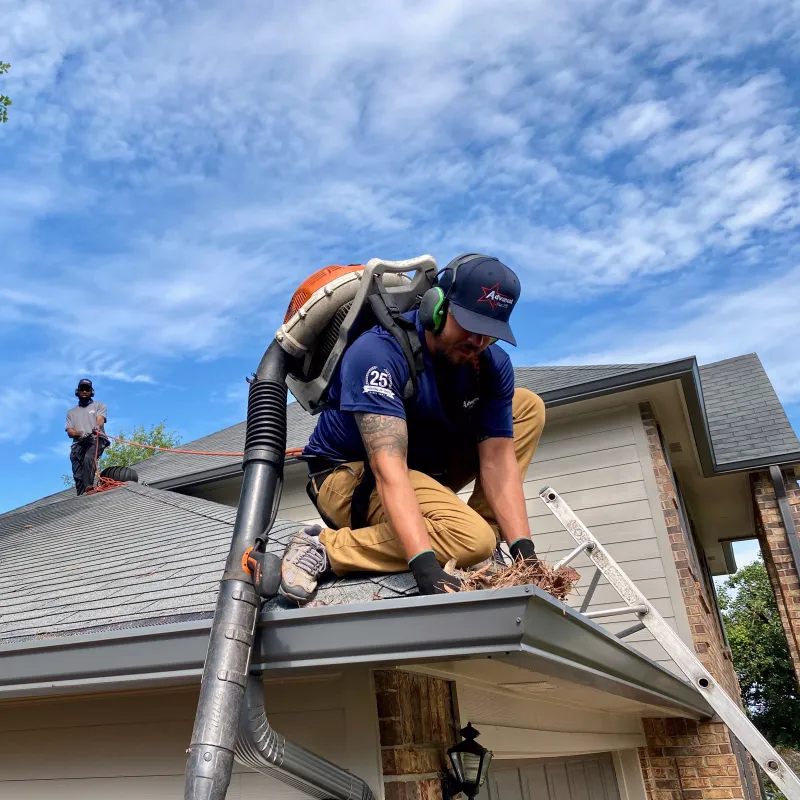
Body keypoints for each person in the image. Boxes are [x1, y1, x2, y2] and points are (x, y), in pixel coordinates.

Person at [279, 254, 547, 604]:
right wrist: (424, 565)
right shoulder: (379, 352)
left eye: (490, 333)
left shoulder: (490, 364)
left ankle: (489, 547)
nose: (478, 341)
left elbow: (498, 463)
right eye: (469, 324)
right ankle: (324, 546)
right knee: (470, 539)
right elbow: (387, 470)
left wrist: (524, 554)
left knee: (526, 406)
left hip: (418, 469)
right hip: (350, 477)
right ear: (437, 306)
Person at [65, 378, 109, 496]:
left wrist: (97, 426)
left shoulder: (99, 405)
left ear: (91, 392)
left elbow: (100, 419)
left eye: (87, 389)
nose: (84, 391)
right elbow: (70, 431)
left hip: (96, 439)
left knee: (89, 458)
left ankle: (89, 487)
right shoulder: (71, 413)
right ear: (77, 391)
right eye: (82, 389)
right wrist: (80, 433)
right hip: (79, 442)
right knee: (77, 471)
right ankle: (81, 495)